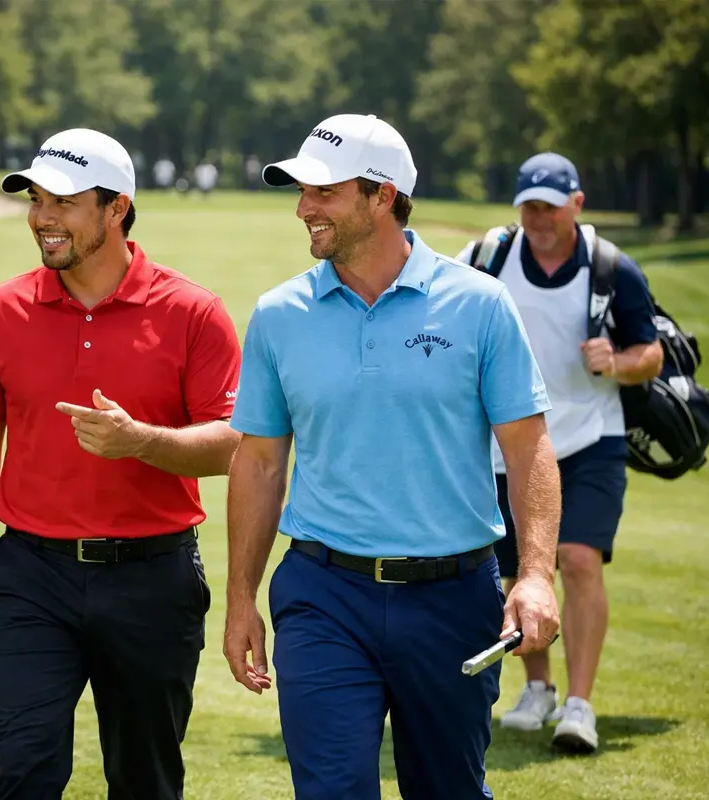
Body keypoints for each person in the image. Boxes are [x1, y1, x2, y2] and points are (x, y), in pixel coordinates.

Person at [223, 113, 563, 800]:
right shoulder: (279, 314)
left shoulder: (480, 306)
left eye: (323, 192)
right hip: (323, 594)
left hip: (453, 598)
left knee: (449, 789)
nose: (303, 208)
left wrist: (533, 576)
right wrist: (239, 599)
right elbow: (259, 463)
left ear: (383, 195)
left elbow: (528, 450)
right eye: (302, 191)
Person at [0, 127, 242, 800]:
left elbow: (233, 444)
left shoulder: (193, 311)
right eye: (36, 200)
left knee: (146, 783)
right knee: (19, 772)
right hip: (27, 577)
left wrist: (142, 441)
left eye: (64, 202)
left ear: (117, 208)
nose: (42, 218)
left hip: (152, 578)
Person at [457, 152, 663, 752]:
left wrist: (617, 361)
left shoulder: (611, 269)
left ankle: (579, 704)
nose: (539, 218)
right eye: (529, 207)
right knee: (517, 574)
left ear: (576, 203)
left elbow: (649, 352)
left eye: (550, 206)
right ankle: (539, 687)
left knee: (575, 560)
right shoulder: (492, 258)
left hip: (589, 437)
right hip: (507, 446)